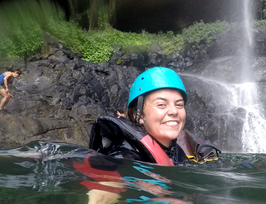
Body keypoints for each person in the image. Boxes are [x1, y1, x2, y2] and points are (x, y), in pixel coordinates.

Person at [89, 66, 220, 166]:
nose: (174, 111)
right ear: (138, 116)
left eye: (179, 105)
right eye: (162, 104)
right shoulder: (124, 154)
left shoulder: (177, 152)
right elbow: (110, 183)